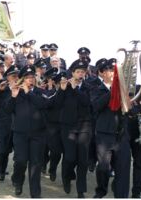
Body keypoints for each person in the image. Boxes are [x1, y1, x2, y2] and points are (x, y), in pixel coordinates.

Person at [6, 65, 49, 198]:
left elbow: (43, 105)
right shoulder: (16, 92)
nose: (30, 80)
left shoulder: (39, 92)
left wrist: (29, 93)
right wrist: (13, 97)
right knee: (21, 161)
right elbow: (7, 110)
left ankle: (35, 194)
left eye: (32, 77)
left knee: (35, 164)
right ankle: (18, 181)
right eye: (27, 78)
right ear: (22, 79)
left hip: (38, 134)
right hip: (20, 133)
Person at [91, 58, 131, 198]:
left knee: (123, 169)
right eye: (109, 70)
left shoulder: (124, 88)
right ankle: (101, 190)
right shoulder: (97, 88)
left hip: (122, 135)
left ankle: (121, 195)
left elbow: (131, 110)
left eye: (114, 71)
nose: (113, 73)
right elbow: (96, 106)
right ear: (102, 73)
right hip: (104, 136)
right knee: (103, 168)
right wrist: (112, 92)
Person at [57, 60, 92, 198]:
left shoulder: (87, 87)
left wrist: (75, 89)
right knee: (70, 157)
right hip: (68, 127)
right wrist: (63, 89)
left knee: (83, 160)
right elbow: (57, 103)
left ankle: (80, 190)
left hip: (84, 126)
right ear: (73, 73)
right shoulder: (65, 86)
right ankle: (66, 177)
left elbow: (86, 102)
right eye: (78, 72)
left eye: (83, 72)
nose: (80, 74)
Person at [127, 85, 141, 198]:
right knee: (122, 164)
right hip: (125, 133)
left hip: (140, 135)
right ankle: (119, 186)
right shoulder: (125, 94)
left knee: (139, 165)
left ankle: (136, 193)